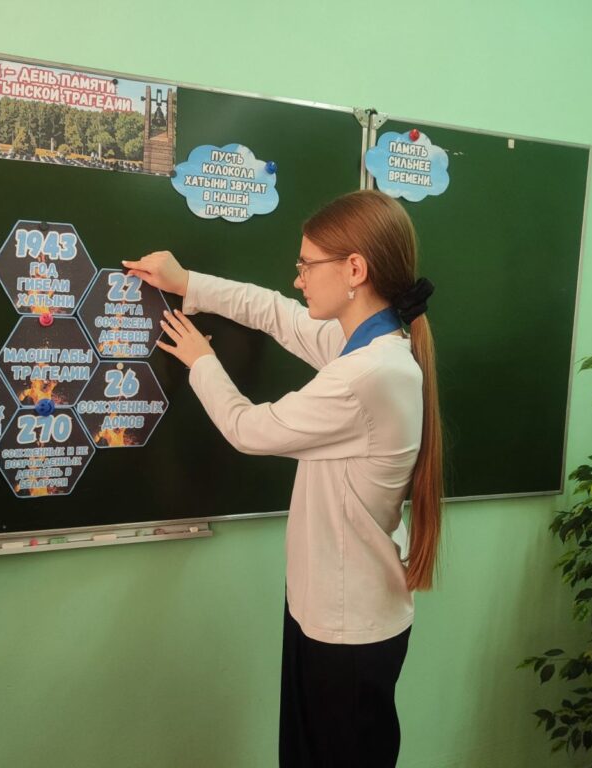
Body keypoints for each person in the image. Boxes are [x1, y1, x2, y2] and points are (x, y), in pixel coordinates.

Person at [123, 189, 442, 768]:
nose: (298, 279)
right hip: (327, 612)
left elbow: (249, 429)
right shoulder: (365, 346)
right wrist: (187, 282)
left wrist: (201, 361)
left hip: (347, 629)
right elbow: (274, 311)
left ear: (354, 269)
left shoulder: (368, 374)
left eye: (307, 265)